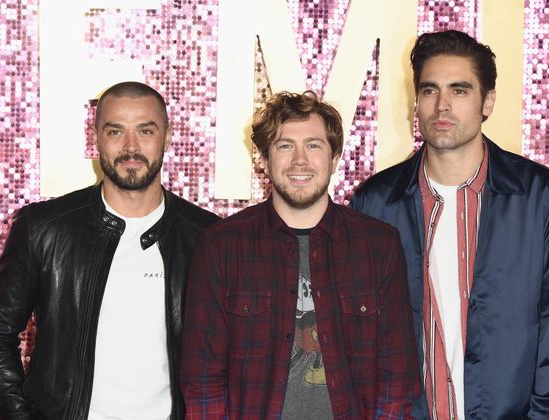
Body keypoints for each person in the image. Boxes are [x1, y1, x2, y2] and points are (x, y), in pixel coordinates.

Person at [351, 30, 549, 419]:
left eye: (459, 91)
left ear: (487, 101)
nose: (442, 105)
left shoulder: (538, 194)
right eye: (429, 90)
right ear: (416, 103)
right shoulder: (374, 202)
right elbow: (357, 332)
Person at [0, 81, 219, 419]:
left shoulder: (206, 236)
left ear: (167, 137)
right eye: (115, 131)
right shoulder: (43, 228)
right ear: (96, 138)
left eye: (146, 131)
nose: (131, 147)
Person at [180, 91, 420, 419]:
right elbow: (202, 378)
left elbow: (398, 377)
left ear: (335, 158)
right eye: (284, 146)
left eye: (313, 145)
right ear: (263, 159)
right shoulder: (221, 246)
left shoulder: (378, 246)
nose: (299, 160)